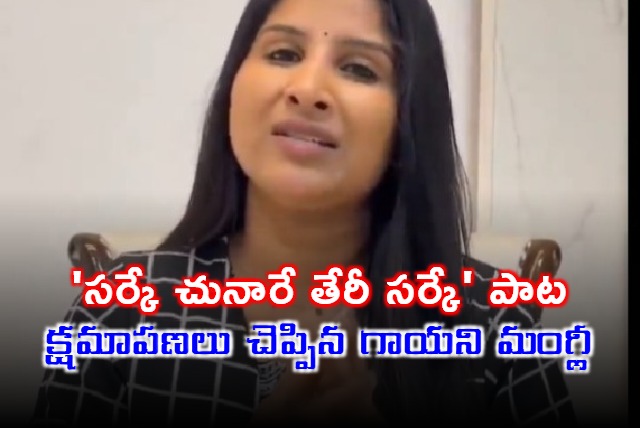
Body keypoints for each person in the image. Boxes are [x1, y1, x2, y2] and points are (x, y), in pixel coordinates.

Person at [32, 0, 578, 426]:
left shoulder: (496, 325)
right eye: (283, 54)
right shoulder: (121, 310)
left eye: (359, 68)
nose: (308, 90)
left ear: (408, 120)